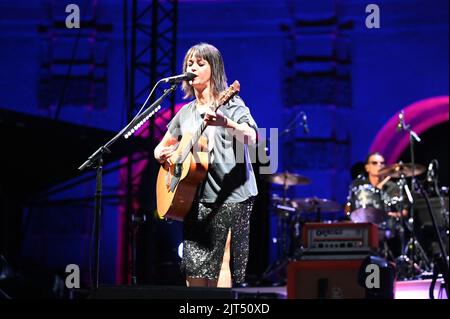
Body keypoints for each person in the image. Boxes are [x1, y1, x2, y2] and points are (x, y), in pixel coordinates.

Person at [153, 43, 258, 288]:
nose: (193, 68)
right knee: (194, 266)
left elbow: (252, 137)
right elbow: (160, 147)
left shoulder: (231, 103)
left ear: (215, 68)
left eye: (200, 63)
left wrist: (225, 122)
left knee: (221, 261)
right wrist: (163, 155)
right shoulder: (186, 112)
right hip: (195, 196)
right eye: (190, 63)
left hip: (231, 194)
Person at [346, 152, 408, 259]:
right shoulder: (358, 185)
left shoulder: (393, 187)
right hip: (362, 229)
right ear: (367, 167)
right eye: (374, 163)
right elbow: (349, 208)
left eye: (382, 163)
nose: (379, 166)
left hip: (387, 230)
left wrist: (387, 214)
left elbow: (404, 212)